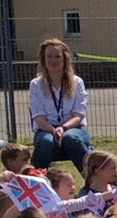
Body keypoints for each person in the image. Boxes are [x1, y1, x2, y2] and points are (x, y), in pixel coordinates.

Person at [28, 36, 91, 169]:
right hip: (46, 129)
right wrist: (54, 130)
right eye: (49, 56)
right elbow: (38, 118)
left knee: (71, 138)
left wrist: (63, 128)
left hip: (73, 128)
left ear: (65, 59)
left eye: (57, 56)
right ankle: (35, 182)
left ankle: (92, 181)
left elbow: (79, 115)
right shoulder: (35, 84)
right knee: (45, 142)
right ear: (43, 59)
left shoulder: (77, 82)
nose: (53, 60)